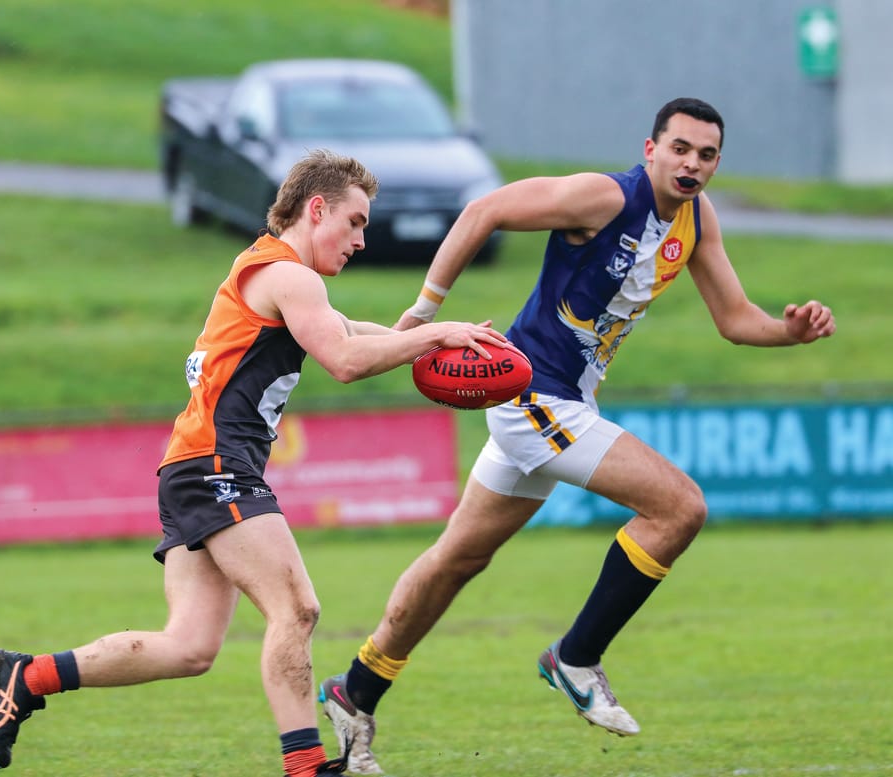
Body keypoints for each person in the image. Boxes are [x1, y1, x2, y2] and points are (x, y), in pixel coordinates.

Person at [318, 98, 837, 775]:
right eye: (680, 148)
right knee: (680, 506)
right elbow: (485, 210)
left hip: (559, 402)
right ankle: (576, 656)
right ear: (650, 149)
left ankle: (354, 692)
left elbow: (736, 319)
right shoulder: (602, 196)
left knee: (456, 560)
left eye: (706, 155)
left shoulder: (696, 219)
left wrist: (788, 331)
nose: (692, 164)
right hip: (534, 395)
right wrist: (422, 314)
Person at [0, 149, 507, 777]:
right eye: (357, 221)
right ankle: (307, 766)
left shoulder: (273, 270)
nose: (361, 240)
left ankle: (28, 676)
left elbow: (351, 332)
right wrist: (432, 336)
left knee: (189, 648)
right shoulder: (291, 277)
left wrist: (433, 336)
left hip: (189, 467)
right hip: (214, 467)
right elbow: (343, 362)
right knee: (297, 609)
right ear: (317, 209)